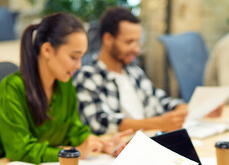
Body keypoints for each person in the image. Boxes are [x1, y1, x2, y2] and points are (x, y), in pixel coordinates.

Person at [0, 13, 132, 164]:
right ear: (47, 50)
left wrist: (103, 144)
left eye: (81, 57)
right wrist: (73, 153)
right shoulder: (12, 87)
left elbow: (75, 131)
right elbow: (20, 151)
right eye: (74, 57)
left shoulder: (64, 83)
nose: (79, 65)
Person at [73, 7, 188, 135]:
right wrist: (158, 123)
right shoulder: (87, 77)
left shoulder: (134, 72)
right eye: (129, 42)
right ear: (108, 39)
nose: (136, 49)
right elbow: (99, 123)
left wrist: (182, 109)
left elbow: (158, 100)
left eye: (138, 42)